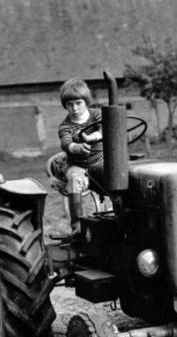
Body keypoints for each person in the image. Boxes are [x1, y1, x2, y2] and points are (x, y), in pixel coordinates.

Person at [57, 78, 103, 234]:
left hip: (100, 162)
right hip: (78, 166)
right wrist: (76, 147)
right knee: (74, 179)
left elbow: (105, 128)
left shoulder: (97, 114)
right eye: (70, 104)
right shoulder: (66, 126)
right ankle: (77, 227)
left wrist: (92, 137)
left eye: (78, 103)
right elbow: (65, 143)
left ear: (86, 101)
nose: (74, 108)